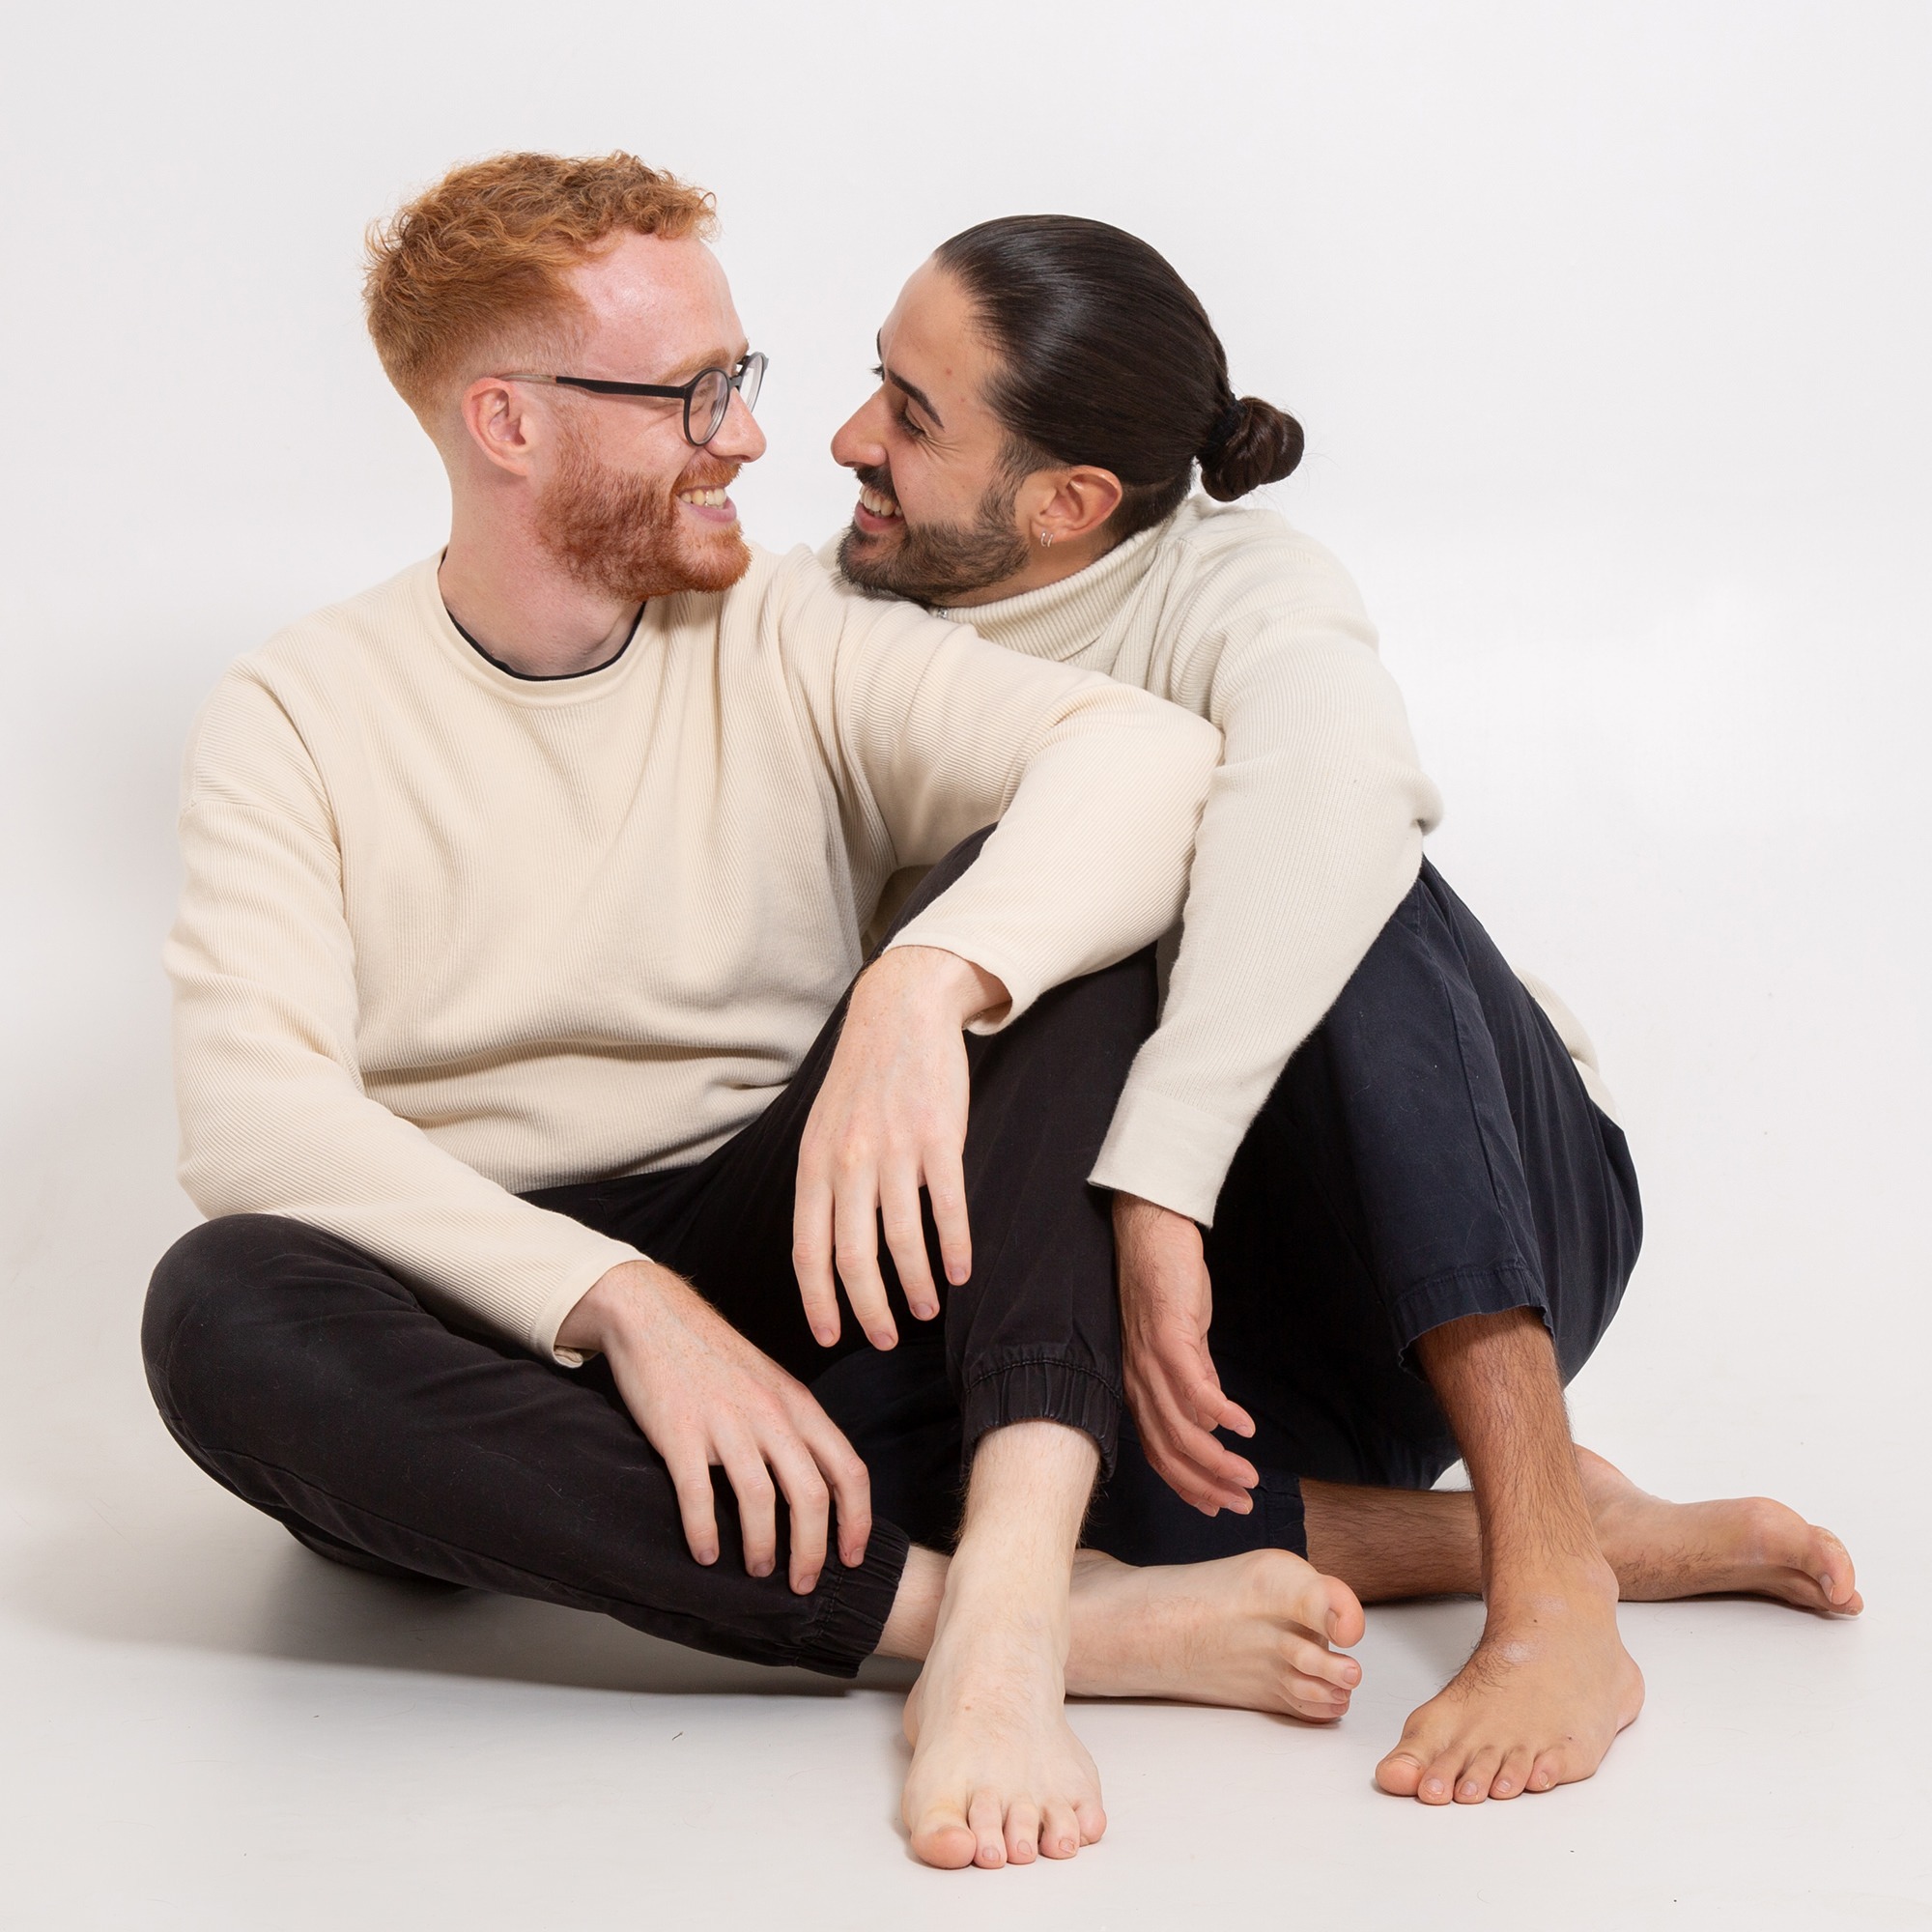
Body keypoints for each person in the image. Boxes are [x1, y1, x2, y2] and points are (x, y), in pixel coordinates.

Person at [141, 154, 1377, 1876]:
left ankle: (1015, 1583)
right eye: (691, 395)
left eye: (742, 377)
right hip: (499, 1324)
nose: (750, 438)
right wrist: (624, 1308)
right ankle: (1017, 1620)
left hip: (813, 1253)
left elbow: (1145, 757)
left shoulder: (782, 623)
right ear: (508, 423)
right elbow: (251, 1116)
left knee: (1045, 933)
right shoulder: (298, 707)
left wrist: (919, 989)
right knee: (220, 1309)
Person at [821, 213, 1863, 1808]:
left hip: (1474, 1214)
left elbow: (1338, 791)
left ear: (1068, 503)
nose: (849, 440)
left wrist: (1162, 1181)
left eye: (910, 415)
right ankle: (1563, 1531)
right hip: (1209, 1354)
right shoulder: (843, 636)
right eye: (875, 384)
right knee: (872, 1463)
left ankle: (1552, 1579)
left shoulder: (1238, 580)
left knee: (1335, 869)